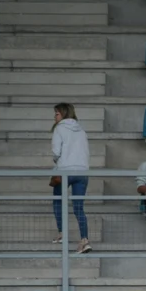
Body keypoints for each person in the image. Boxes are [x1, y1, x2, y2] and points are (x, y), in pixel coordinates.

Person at [50, 102, 91, 254]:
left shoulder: (59, 128)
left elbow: (56, 152)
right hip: (82, 172)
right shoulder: (82, 130)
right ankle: (84, 240)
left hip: (65, 171)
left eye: (57, 113)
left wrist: (59, 161)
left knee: (58, 202)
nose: (55, 117)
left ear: (64, 114)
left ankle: (62, 234)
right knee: (79, 207)